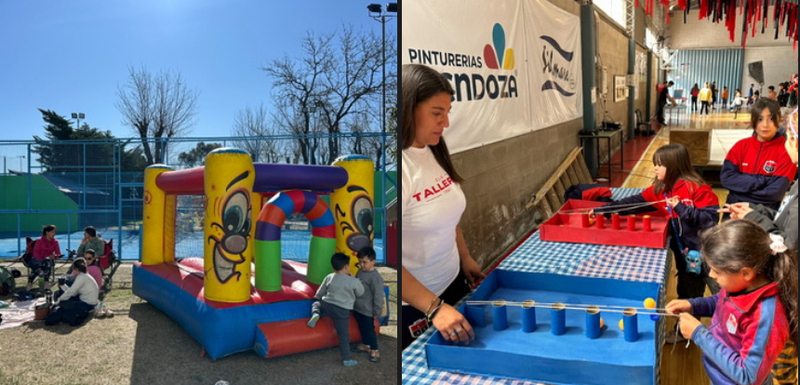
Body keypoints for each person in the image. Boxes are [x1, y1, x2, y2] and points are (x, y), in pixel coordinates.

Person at [401, 63, 486, 350]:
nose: (445, 123)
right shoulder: (397, 168)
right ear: (407, 108)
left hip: (453, 284)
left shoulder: (433, 148)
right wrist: (433, 308)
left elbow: (448, 217)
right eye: (437, 113)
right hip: (417, 306)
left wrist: (465, 258)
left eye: (447, 113)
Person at [665, 220, 797, 385]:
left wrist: (698, 333)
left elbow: (748, 376)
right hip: (721, 375)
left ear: (746, 273)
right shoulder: (740, 284)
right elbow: (722, 302)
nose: (712, 276)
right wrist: (693, 305)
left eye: (717, 271)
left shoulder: (766, 317)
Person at [722, 111, 798, 385]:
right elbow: (781, 217)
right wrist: (756, 208)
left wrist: (754, 215)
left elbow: (786, 246)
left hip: (790, 293)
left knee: (779, 367)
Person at [591, 144, 719, 306]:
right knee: (688, 293)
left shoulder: (697, 188)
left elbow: (710, 220)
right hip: (685, 254)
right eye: (655, 165)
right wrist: (604, 209)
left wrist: (680, 208)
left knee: (721, 291)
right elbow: (633, 203)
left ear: (674, 165)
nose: (655, 169)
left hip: (709, 253)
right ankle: (683, 329)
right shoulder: (660, 189)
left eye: (660, 165)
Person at [721, 99, 797, 212]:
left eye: (771, 119)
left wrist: (738, 194)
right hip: (733, 215)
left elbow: (775, 193)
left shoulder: (788, 150)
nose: (765, 125)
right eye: (760, 119)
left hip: (765, 218)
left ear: (779, 119)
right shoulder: (740, 146)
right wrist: (761, 181)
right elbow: (726, 179)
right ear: (753, 120)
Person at [306, 253, 364, 366]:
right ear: (347, 266)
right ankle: (346, 359)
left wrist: (318, 298)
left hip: (327, 305)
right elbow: (360, 293)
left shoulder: (329, 277)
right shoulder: (353, 281)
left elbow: (319, 294)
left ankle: (315, 314)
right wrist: (354, 280)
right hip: (342, 311)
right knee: (343, 335)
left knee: (317, 304)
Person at [351, 247, 384, 363]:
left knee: (369, 330)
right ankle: (366, 345)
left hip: (367, 310)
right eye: (359, 262)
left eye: (364, 262)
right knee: (362, 327)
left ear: (373, 261)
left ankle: (374, 349)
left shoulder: (375, 277)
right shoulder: (360, 272)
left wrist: (377, 311)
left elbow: (378, 295)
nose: (361, 265)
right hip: (358, 308)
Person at [45, 259, 99, 326]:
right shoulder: (84, 275)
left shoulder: (81, 277)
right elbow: (73, 293)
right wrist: (63, 286)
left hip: (87, 304)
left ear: (75, 269)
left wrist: (58, 301)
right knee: (63, 299)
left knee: (63, 302)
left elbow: (71, 292)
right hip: (86, 301)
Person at [26, 224, 62, 291]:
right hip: (37, 259)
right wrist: (41, 260)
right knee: (39, 266)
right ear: (47, 232)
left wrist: (53, 256)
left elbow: (58, 254)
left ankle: (45, 282)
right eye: (52, 232)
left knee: (47, 262)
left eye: (55, 232)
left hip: (48, 260)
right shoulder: (39, 241)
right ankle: (31, 283)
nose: (54, 234)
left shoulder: (55, 242)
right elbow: (36, 252)